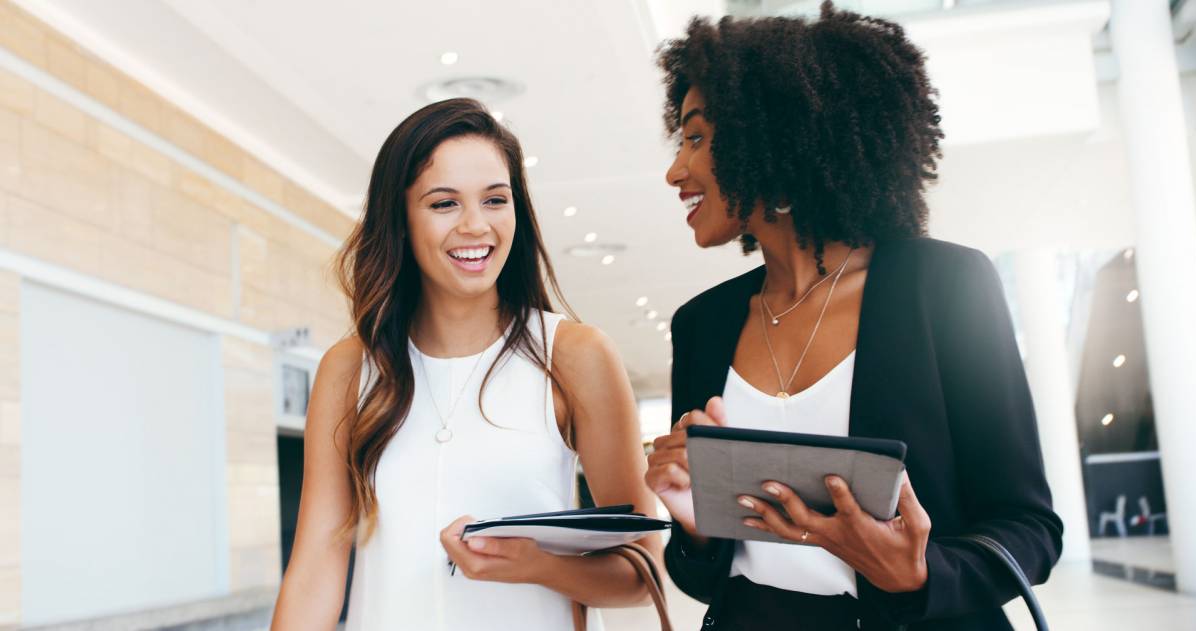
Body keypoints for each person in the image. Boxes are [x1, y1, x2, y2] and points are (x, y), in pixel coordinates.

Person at [643, 4, 1063, 629]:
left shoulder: (944, 288)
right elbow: (707, 576)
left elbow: (1030, 529)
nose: (677, 169)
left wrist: (920, 574)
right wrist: (696, 526)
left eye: (698, 137)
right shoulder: (701, 324)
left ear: (777, 134)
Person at [271, 98, 659, 630]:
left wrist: (538, 565)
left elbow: (649, 572)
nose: (476, 226)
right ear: (401, 220)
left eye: (495, 199)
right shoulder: (350, 368)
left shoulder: (575, 355)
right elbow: (316, 564)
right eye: (444, 204)